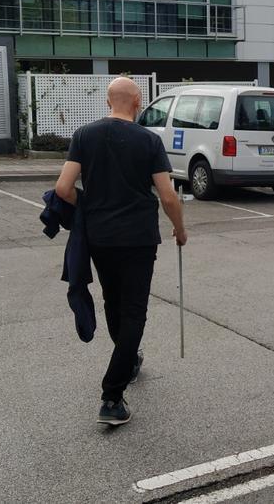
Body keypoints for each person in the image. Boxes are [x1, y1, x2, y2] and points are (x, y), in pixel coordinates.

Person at [55, 77, 188, 427]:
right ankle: (112, 396)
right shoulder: (148, 140)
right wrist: (180, 228)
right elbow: (168, 195)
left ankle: (127, 361)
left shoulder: (85, 135)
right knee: (134, 313)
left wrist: (90, 204)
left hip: (100, 238)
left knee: (114, 303)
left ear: (108, 102)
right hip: (139, 239)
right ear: (137, 101)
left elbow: (63, 188)